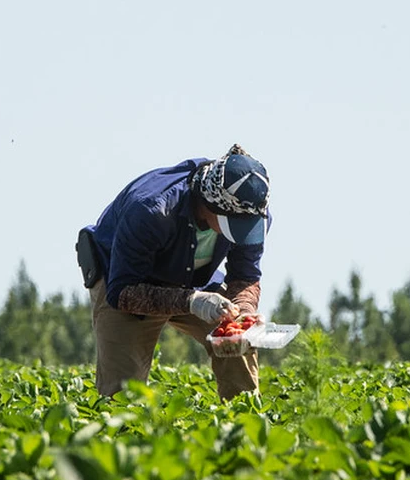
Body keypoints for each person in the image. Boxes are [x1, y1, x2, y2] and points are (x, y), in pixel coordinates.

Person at [76, 144, 272, 399]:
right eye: (233, 225)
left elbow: (244, 276)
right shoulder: (151, 210)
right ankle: (124, 434)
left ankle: (243, 423)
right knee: (122, 393)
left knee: (237, 342)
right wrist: (191, 301)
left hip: (194, 275)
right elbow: (122, 293)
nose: (241, 232)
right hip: (126, 278)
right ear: (209, 204)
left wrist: (244, 311)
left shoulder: (250, 210)